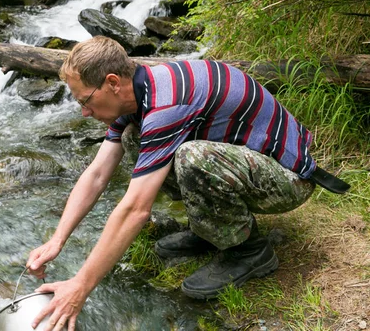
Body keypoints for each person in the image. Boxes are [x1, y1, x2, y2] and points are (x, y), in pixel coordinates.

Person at [25, 36, 349, 331]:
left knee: (192, 157)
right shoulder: (137, 93)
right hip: (246, 165)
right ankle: (212, 229)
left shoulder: (168, 105)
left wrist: (80, 286)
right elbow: (97, 174)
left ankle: (249, 251)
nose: (83, 112)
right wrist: (57, 240)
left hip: (288, 179)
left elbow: (136, 209)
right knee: (132, 139)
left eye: (85, 100)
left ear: (112, 83)